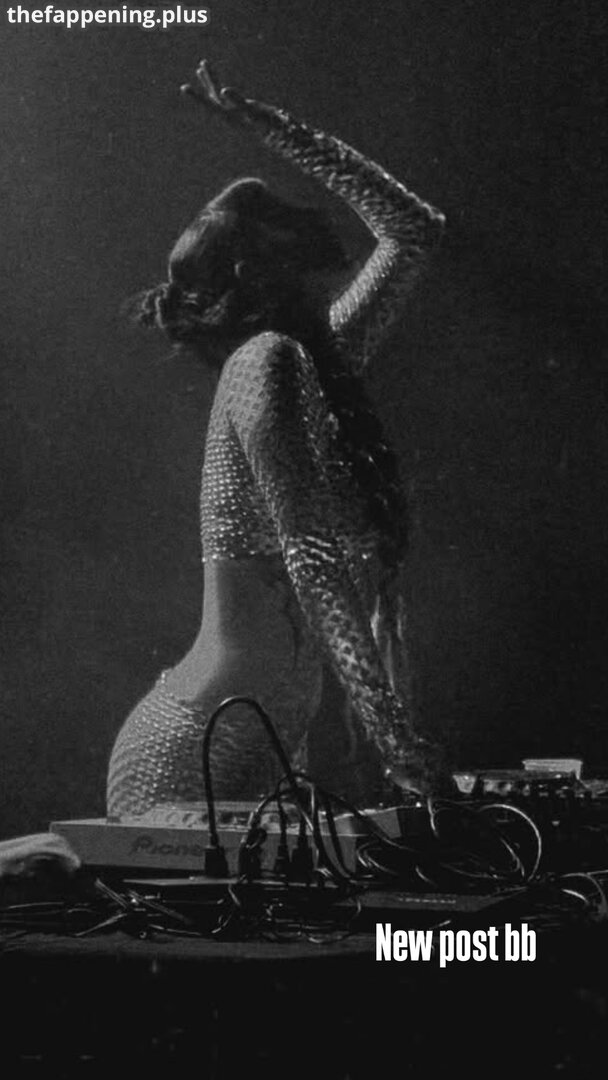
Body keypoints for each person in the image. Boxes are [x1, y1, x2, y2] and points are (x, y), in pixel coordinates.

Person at [107, 61, 446, 819]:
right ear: (256, 270)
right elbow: (313, 559)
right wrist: (403, 751)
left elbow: (413, 231)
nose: (327, 277)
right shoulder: (268, 363)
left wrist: (271, 127)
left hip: (256, 749)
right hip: (184, 751)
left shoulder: (314, 361)